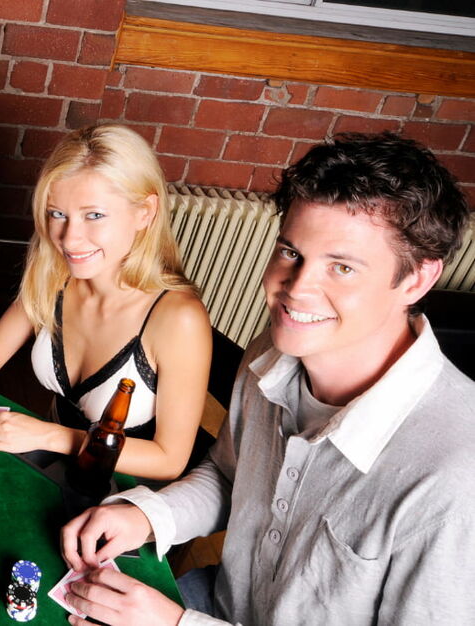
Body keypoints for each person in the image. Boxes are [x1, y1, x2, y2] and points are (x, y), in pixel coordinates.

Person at [60, 132, 475, 625]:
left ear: (417, 279)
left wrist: (173, 624)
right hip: (215, 603)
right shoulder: (275, 347)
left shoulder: (456, 483)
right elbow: (231, 474)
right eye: (291, 253)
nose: (296, 291)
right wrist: (149, 516)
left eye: (341, 267)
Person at [0, 124, 211, 482]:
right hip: (53, 468)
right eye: (57, 214)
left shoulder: (179, 318)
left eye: (94, 215)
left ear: (145, 212)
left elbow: (168, 459)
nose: (69, 238)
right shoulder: (55, 274)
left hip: (127, 494)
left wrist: (47, 434)